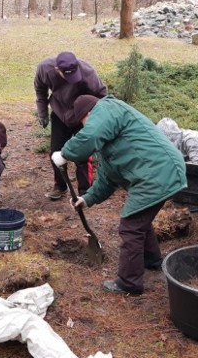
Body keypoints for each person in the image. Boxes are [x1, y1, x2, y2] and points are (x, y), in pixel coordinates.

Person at [51, 95, 187, 296]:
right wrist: (87, 198)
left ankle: (129, 284)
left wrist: (65, 153)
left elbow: (89, 136)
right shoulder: (108, 141)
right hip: (156, 173)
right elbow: (107, 178)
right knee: (140, 219)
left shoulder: (107, 108)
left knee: (130, 226)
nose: (85, 127)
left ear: (89, 113)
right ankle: (152, 261)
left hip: (157, 172)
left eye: (83, 122)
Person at [34, 51, 108, 200]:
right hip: (60, 113)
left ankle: (86, 191)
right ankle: (60, 186)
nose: (71, 79)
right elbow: (40, 91)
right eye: (66, 75)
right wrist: (42, 114)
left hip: (83, 115)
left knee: (83, 153)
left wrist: (98, 118)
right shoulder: (45, 69)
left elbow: (103, 95)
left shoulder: (87, 71)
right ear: (57, 70)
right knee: (55, 152)